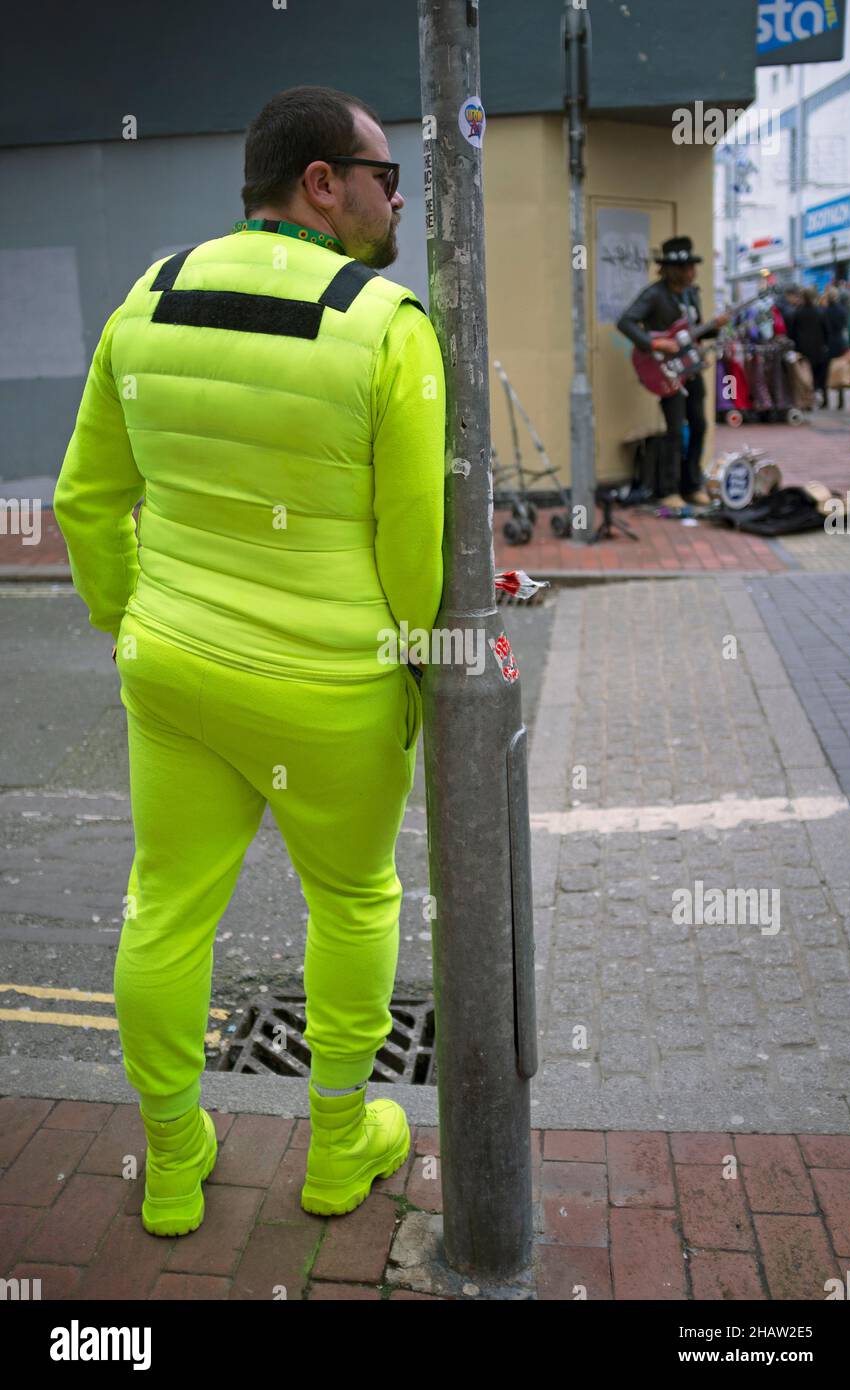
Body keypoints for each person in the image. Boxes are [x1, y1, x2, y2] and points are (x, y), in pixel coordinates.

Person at [52, 85, 446, 1232]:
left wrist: (127, 620)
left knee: (166, 908)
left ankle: (173, 1162)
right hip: (332, 686)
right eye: (382, 175)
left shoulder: (148, 295)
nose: (395, 196)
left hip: (174, 671)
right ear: (319, 183)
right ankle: (337, 1147)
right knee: (355, 898)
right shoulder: (388, 326)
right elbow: (412, 556)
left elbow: (87, 502)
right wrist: (415, 677)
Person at [617, 235, 729, 508]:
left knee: (700, 426)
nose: (693, 272)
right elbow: (626, 322)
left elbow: (695, 331)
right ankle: (668, 490)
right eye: (688, 268)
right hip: (667, 373)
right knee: (675, 431)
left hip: (691, 369)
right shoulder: (654, 294)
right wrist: (654, 343)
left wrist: (716, 326)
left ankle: (692, 485)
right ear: (675, 270)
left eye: (694, 267)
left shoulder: (692, 294)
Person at [790, 286, 830, 406]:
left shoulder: (798, 312)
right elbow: (826, 330)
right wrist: (825, 344)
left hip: (802, 348)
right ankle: (823, 398)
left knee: (805, 375)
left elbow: (793, 331)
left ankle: (806, 399)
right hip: (818, 347)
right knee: (820, 375)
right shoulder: (820, 312)